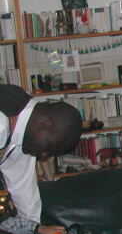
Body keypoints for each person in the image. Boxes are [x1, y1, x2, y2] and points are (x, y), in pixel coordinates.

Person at [0, 84, 82, 222]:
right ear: (47, 125)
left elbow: (24, 191)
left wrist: (34, 230)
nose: (44, 155)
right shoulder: (2, 123)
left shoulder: (22, 131)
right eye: (50, 147)